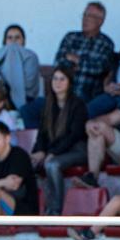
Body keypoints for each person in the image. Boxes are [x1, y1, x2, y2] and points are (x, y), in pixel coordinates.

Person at [32, 66, 89, 215]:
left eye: (62, 79)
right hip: (55, 150)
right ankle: (33, 211)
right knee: (29, 164)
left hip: (77, 150)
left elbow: (74, 135)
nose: (57, 82)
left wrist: (52, 153)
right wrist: (40, 151)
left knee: (52, 164)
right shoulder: (48, 104)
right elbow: (42, 133)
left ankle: (56, 209)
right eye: (55, 79)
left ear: (69, 83)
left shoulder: (78, 104)